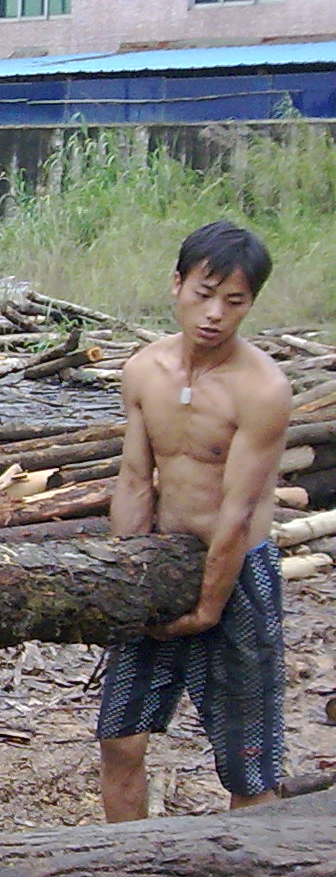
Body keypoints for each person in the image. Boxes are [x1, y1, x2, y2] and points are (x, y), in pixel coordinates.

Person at [98, 221, 292, 821]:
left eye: (234, 302)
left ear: (249, 305)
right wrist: (125, 579)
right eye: (203, 294)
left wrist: (209, 607)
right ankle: (125, 872)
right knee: (120, 737)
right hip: (160, 561)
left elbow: (237, 512)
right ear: (177, 285)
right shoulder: (143, 370)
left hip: (238, 575)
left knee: (248, 759)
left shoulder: (262, 389)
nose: (214, 314)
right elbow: (134, 480)